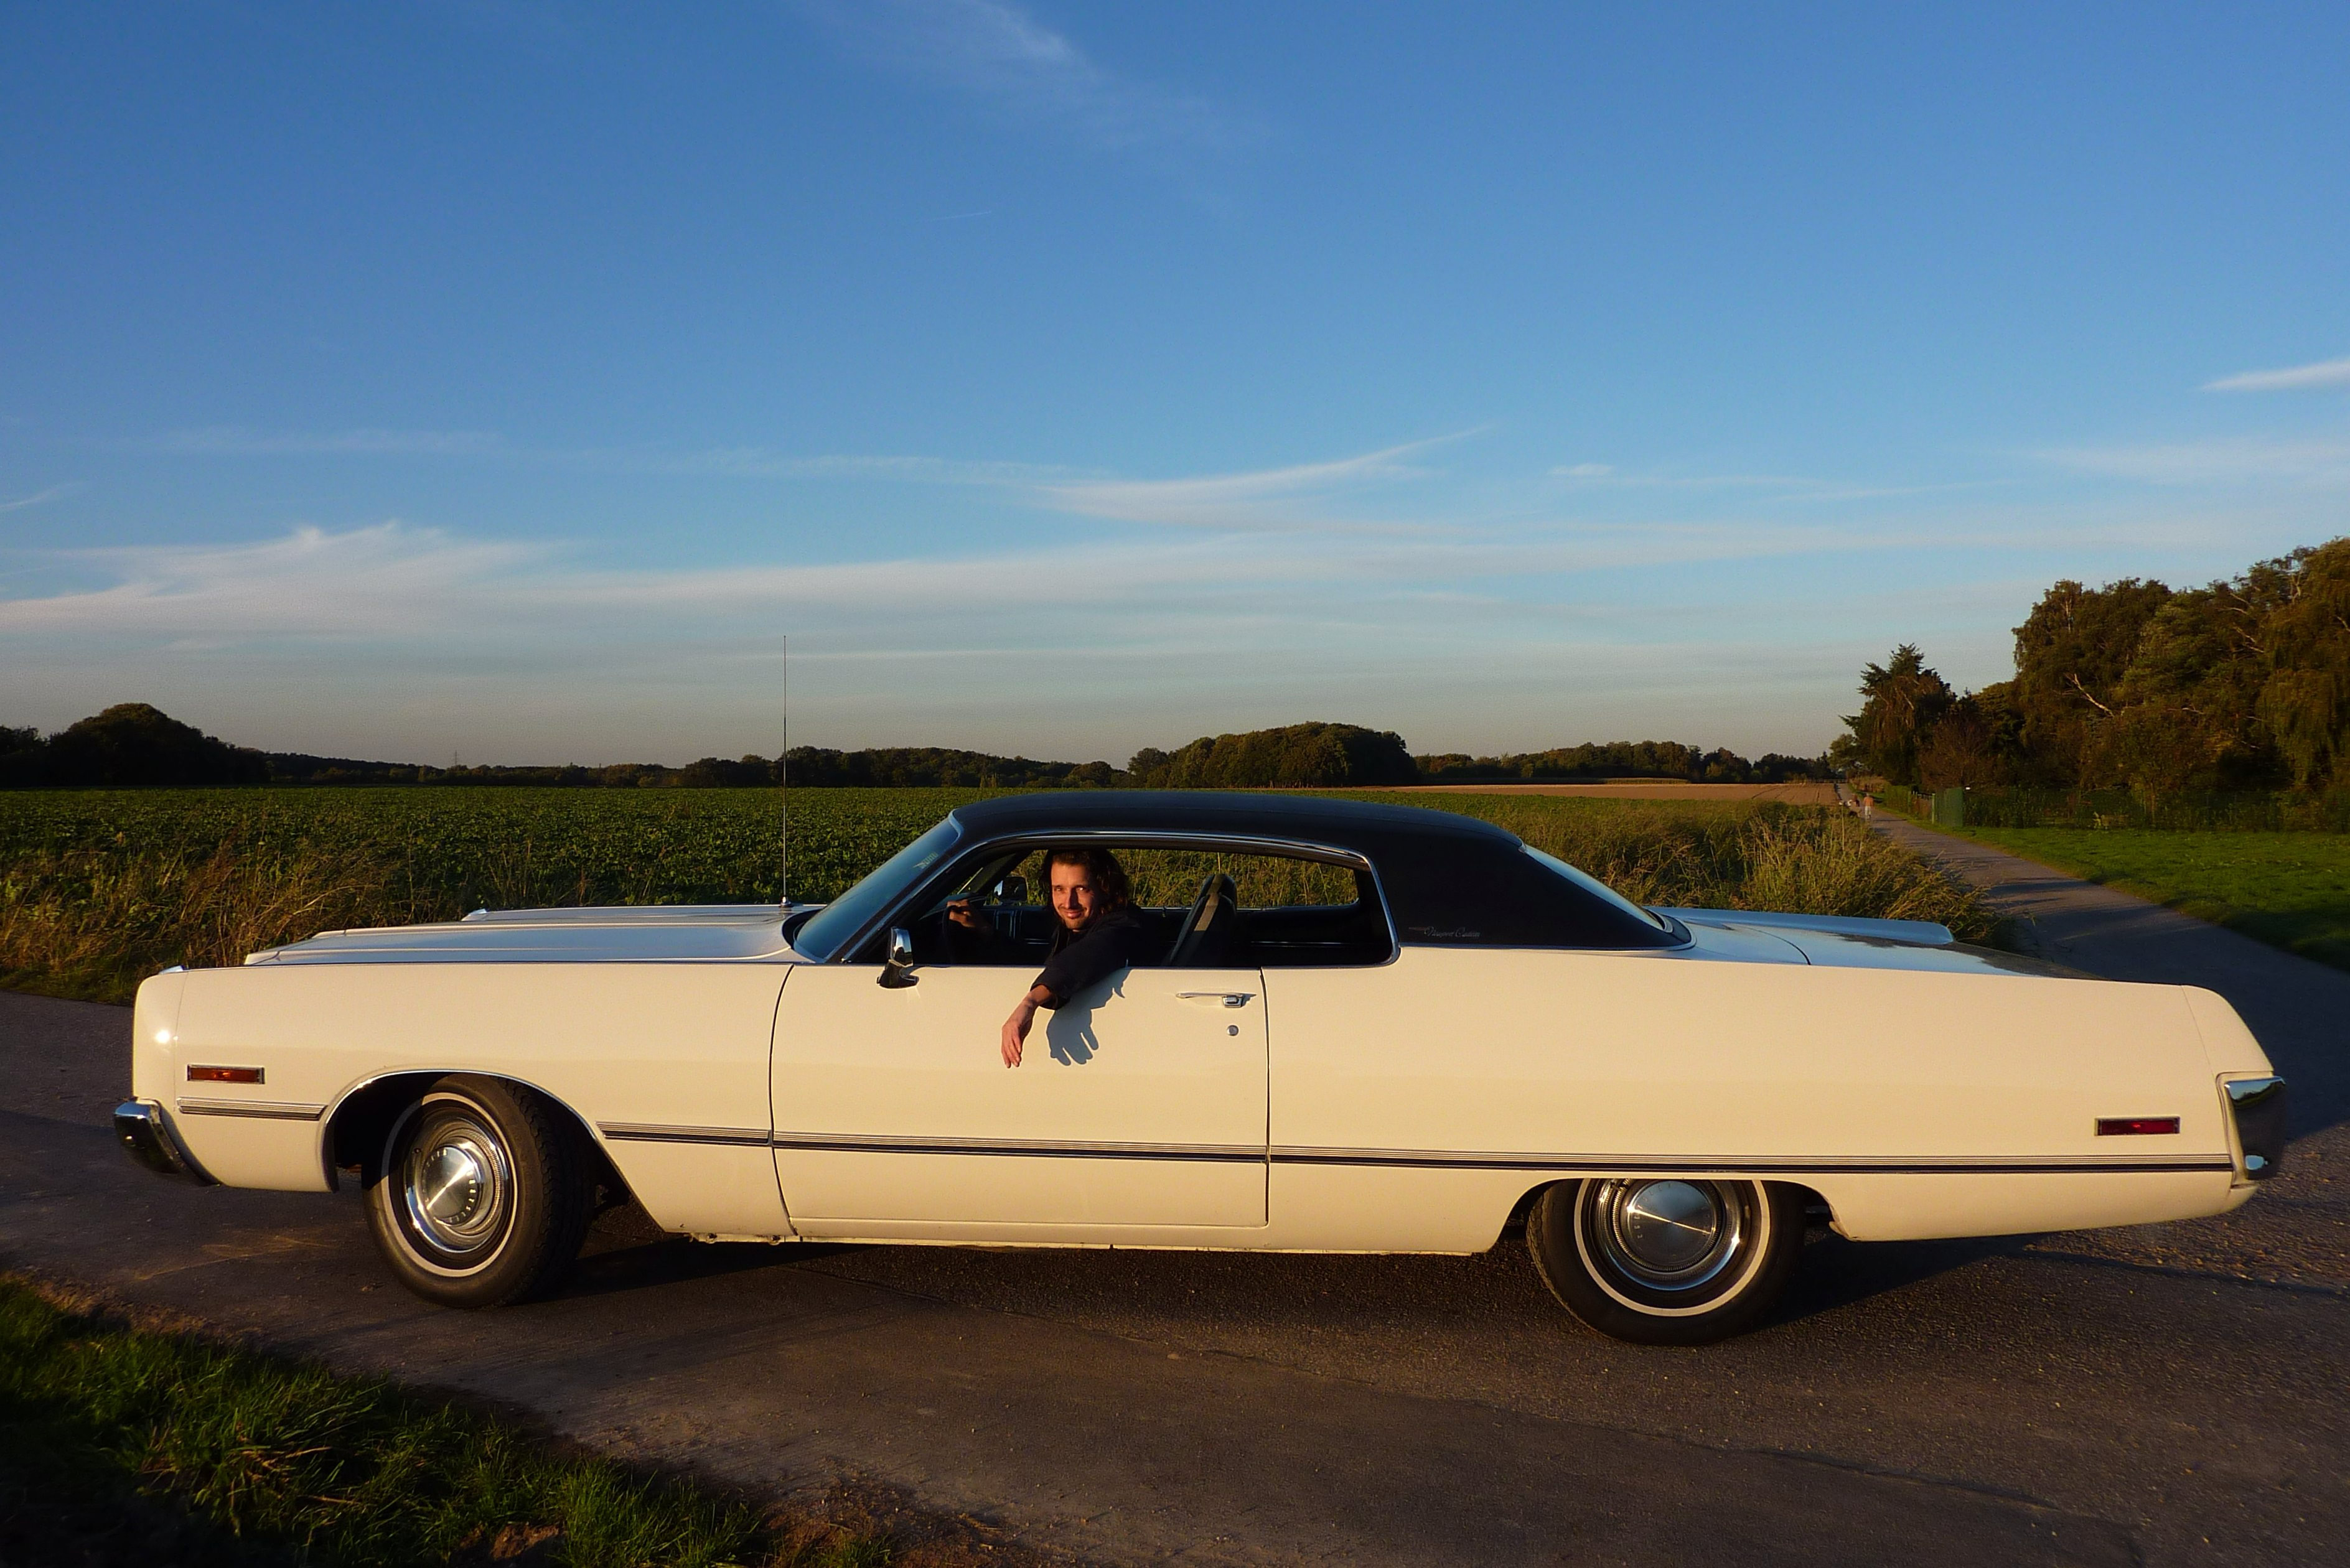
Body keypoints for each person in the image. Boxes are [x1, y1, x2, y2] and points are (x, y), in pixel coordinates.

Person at [949, 846, 1153, 1068]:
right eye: (1059, 889)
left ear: (1104, 888)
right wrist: (984, 930)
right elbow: (1042, 962)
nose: (1069, 903)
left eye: (1081, 889)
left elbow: (1085, 957)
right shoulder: (1073, 926)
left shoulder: (1125, 926)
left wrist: (1030, 1002)